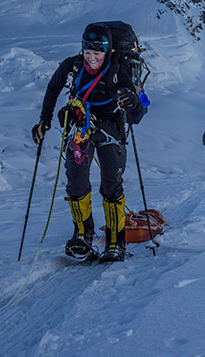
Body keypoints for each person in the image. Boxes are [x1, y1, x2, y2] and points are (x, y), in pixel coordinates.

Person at [31, 23, 145, 262]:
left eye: (97, 53)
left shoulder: (116, 70)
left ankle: (115, 241)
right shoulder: (72, 66)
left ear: (107, 50)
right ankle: (83, 235)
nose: (92, 58)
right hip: (80, 125)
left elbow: (133, 105)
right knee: (76, 179)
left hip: (110, 127)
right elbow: (53, 89)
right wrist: (44, 120)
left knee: (112, 183)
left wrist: (131, 99)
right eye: (88, 52)